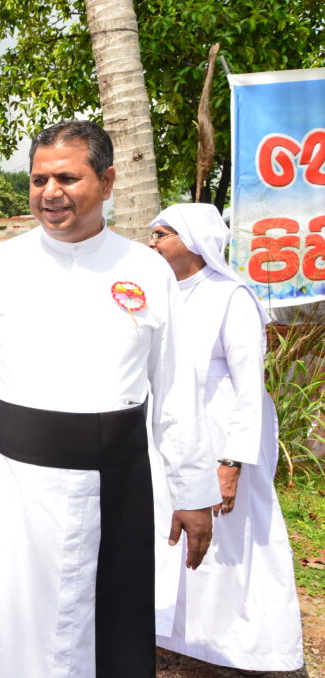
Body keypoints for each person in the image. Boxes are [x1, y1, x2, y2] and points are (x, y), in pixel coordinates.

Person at [0, 120, 220, 678]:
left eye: (66, 177)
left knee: (112, 635)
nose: (50, 193)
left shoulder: (147, 270)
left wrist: (194, 490)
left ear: (107, 182)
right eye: (39, 180)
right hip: (16, 484)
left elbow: (177, 390)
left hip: (120, 482)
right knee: (14, 633)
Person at [148, 203, 303, 673]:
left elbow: (248, 386)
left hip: (219, 438)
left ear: (193, 240)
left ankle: (245, 645)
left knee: (231, 542)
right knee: (173, 533)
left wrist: (232, 461)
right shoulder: (162, 294)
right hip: (170, 438)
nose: (152, 243)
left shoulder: (231, 297)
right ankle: (180, 634)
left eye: (162, 234)